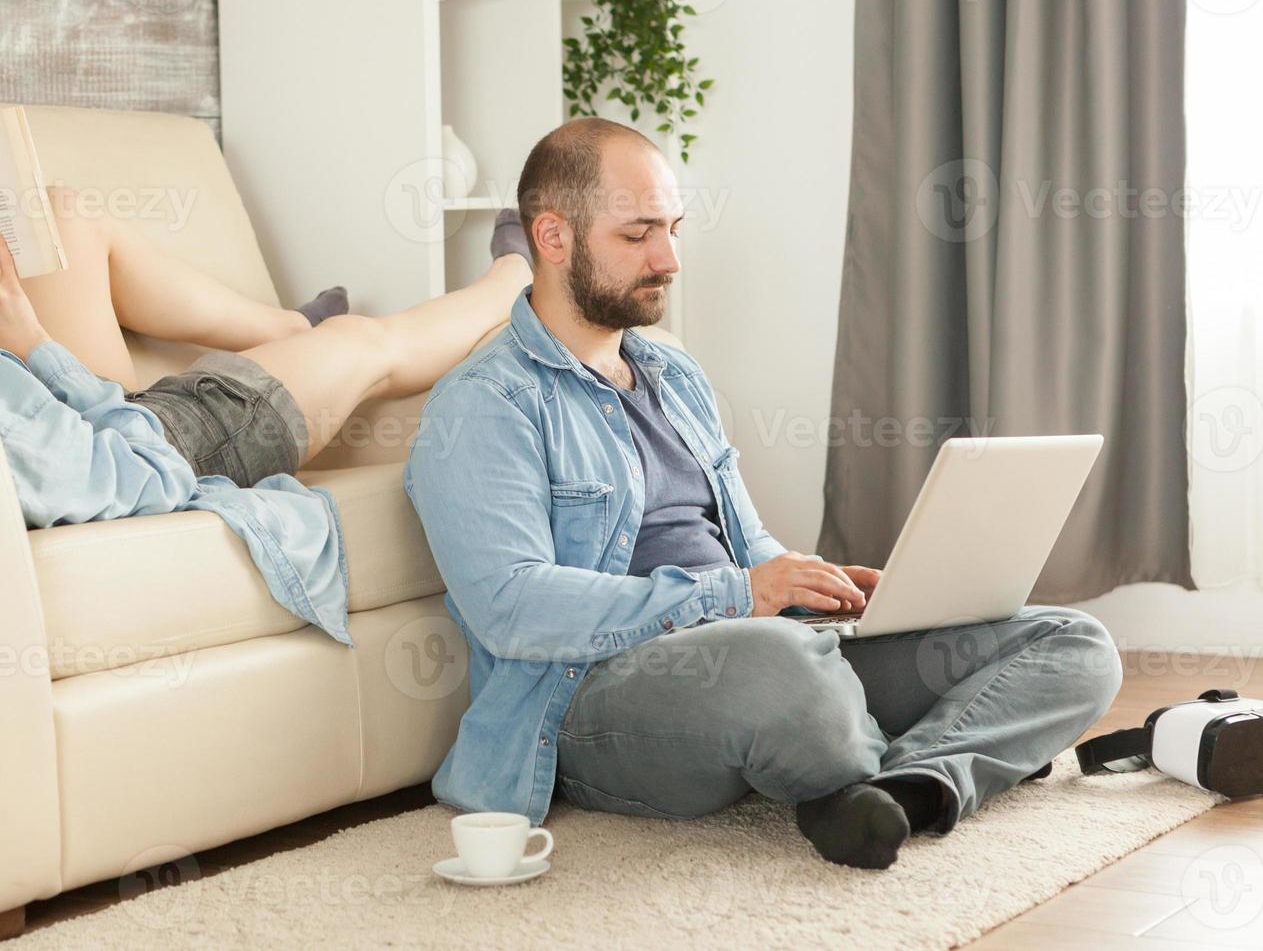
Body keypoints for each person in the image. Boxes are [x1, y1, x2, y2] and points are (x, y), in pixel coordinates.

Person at [403, 118, 1124, 870]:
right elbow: (513, 609)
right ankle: (944, 750)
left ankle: (907, 786)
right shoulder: (487, 403)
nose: (669, 258)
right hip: (593, 703)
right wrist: (734, 597)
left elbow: (750, 552)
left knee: (1072, 645)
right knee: (778, 667)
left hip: (764, 649)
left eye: (673, 229)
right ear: (552, 237)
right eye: (638, 234)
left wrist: (820, 587)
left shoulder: (673, 377)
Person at [0, 191, 533, 641]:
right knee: (365, 343)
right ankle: (519, 273)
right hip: (196, 434)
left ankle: (282, 330)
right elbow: (142, 473)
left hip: (108, 426)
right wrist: (27, 342)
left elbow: (64, 445)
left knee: (61, 218)